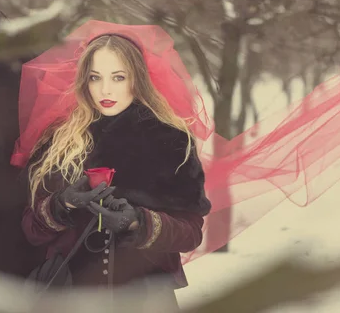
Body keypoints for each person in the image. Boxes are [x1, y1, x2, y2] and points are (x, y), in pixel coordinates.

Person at [18, 31, 212, 307]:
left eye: (118, 77)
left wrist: (138, 222)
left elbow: (191, 232)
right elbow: (30, 229)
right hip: (70, 297)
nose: (105, 90)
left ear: (137, 79)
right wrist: (64, 204)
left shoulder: (171, 140)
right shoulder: (58, 141)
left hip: (144, 299)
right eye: (95, 77)